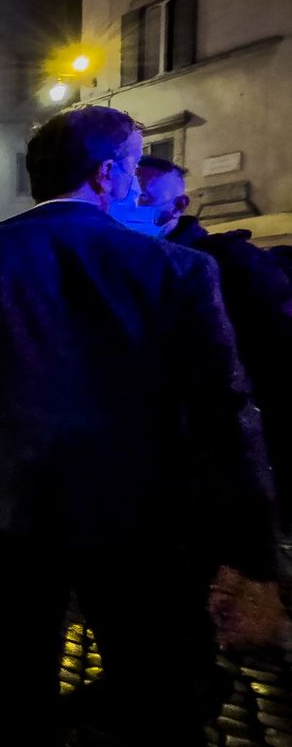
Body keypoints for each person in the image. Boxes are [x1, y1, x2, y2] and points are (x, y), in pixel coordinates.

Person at [0, 106, 282, 744]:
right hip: (137, 517)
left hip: (7, 509)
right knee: (154, 694)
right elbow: (225, 410)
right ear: (107, 174)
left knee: (14, 692)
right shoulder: (178, 269)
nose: (137, 183)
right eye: (135, 166)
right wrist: (254, 551)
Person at [138, 156, 292, 525]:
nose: (129, 209)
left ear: (179, 205)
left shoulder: (229, 262)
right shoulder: (134, 262)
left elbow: (277, 353)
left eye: (144, 199)